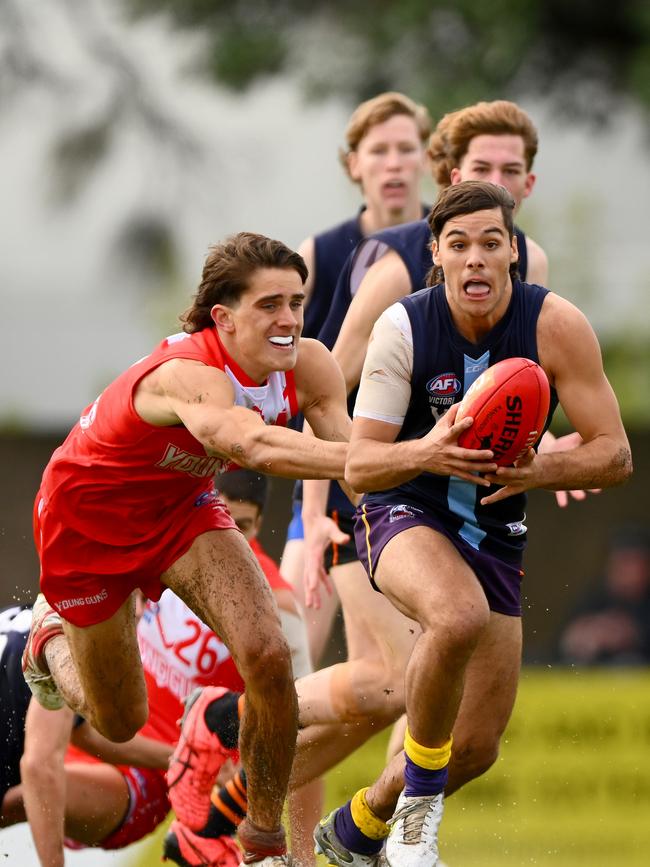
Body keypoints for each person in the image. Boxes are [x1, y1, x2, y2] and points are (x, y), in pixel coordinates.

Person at [313, 180, 632, 866]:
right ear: (437, 253)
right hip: (402, 507)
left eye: (492, 243)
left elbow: (615, 453)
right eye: (459, 245)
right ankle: (417, 824)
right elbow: (359, 466)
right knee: (454, 615)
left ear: (513, 253)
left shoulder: (555, 325)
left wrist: (541, 470)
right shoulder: (404, 326)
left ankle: (358, 825)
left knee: (480, 744)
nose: (476, 259)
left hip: (494, 529)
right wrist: (429, 450)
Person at [22, 231, 354, 867]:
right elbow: (252, 448)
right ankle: (48, 643)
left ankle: (259, 840)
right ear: (224, 319)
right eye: (270, 306)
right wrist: (396, 458)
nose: (288, 320)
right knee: (117, 722)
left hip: (180, 507)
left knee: (266, 653)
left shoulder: (307, 367)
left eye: (297, 302)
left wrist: (440, 461)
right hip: (87, 526)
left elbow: (358, 460)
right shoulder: (189, 374)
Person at [282, 91, 432, 668]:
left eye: (405, 149)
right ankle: (227, 751)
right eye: (378, 151)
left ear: (426, 160)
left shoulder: (454, 247)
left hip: (410, 486)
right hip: (322, 481)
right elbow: (298, 378)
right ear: (354, 165)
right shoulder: (318, 253)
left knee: (405, 674)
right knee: (290, 663)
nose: (393, 163)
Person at [0, 603, 176, 867]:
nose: (140, 614)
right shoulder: (68, 643)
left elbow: (87, 734)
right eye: (134, 601)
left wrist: (181, 757)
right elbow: (39, 767)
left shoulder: (46, 611)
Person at [557, 525, 650, 665]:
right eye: (621, 562)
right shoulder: (595, 597)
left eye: (632, 563)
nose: (626, 571)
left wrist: (632, 635)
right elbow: (564, 640)